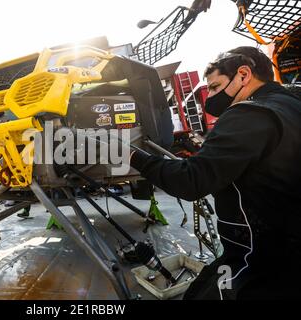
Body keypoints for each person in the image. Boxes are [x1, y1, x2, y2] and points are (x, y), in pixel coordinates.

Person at [129, 46, 301, 299]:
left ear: (244, 75)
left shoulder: (249, 112)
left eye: (214, 86)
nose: (209, 97)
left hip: (261, 259)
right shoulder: (292, 105)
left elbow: (191, 180)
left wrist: (133, 157)